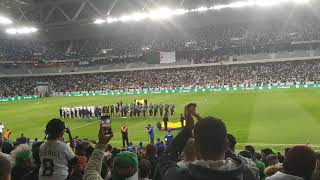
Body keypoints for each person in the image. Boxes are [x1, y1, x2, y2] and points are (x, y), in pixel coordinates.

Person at [154, 103, 258, 180]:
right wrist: (200, 120)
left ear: (196, 147)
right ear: (226, 145)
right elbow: (233, 155)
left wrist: (187, 129)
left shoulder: (179, 176)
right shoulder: (247, 171)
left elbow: (165, 158)